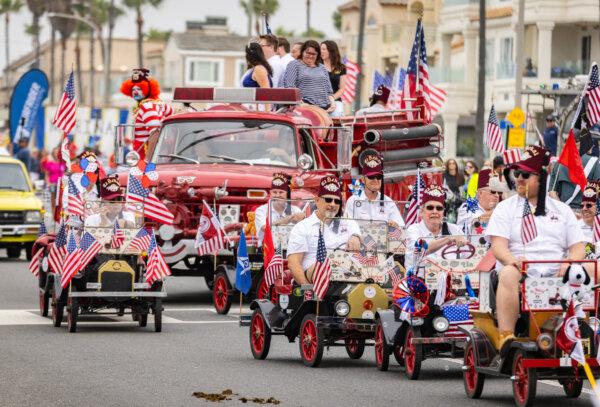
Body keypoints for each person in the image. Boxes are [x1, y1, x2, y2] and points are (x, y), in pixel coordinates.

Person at [486, 145, 585, 349]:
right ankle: (506, 335)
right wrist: (511, 260)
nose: (519, 178)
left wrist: (569, 262)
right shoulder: (505, 208)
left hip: (556, 270)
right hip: (519, 269)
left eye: (525, 174)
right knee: (508, 274)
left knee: (594, 270)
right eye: (516, 173)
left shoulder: (562, 210)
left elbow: (578, 247)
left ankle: (587, 328)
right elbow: (498, 246)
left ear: (541, 178)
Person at [287, 176, 361, 284]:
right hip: (315, 276)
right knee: (324, 266)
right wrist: (308, 289)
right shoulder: (302, 227)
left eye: (337, 201)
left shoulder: (348, 223)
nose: (332, 204)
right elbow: (293, 263)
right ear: (317, 201)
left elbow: (355, 227)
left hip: (347, 276)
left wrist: (355, 236)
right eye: (328, 200)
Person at [404, 185, 465, 268]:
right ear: (421, 212)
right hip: (420, 279)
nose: (435, 211)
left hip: (451, 278)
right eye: (430, 208)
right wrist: (448, 238)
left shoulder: (454, 229)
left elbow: (468, 256)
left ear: (443, 212)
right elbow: (420, 250)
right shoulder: (414, 230)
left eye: (439, 208)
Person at [120, 68, 174, 160]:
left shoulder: (147, 106)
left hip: (145, 154)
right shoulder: (156, 104)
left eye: (139, 89)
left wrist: (147, 160)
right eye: (133, 89)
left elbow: (155, 133)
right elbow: (173, 112)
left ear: (148, 90)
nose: (135, 92)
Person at [344, 153, 404, 227]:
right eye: (371, 177)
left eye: (379, 176)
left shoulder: (388, 202)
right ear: (363, 179)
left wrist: (395, 225)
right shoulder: (352, 201)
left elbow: (401, 227)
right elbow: (346, 227)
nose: (375, 180)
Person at [549, 128, 600, 208]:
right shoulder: (594, 162)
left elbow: (552, 192)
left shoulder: (558, 164)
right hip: (585, 212)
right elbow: (597, 191)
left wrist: (564, 210)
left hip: (564, 212)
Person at [281, 40, 335, 112]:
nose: (310, 56)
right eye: (308, 53)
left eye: (314, 54)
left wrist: (333, 104)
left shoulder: (322, 67)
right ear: (302, 52)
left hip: (325, 108)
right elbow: (290, 87)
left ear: (318, 55)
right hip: (304, 107)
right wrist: (301, 104)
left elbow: (329, 91)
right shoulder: (294, 65)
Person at [253, 173, 305, 245]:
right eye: (274, 192)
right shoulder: (262, 210)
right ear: (270, 193)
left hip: (290, 249)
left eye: (281, 192)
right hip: (266, 250)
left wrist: (303, 219)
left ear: (287, 194)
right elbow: (265, 228)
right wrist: (288, 219)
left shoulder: (296, 210)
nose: (277, 195)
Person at [456, 169, 501, 233]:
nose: (497, 195)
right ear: (480, 193)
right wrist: (485, 217)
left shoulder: (501, 208)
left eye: (499, 192)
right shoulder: (468, 207)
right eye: (493, 192)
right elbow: (463, 232)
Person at [321, 40, 347, 117]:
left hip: (335, 100)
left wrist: (332, 97)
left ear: (331, 51)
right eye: (320, 49)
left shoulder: (341, 67)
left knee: (336, 115)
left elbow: (342, 89)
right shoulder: (317, 66)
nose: (321, 51)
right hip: (318, 101)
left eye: (323, 49)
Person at [41, 147, 65, 214]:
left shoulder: (62, 163)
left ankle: (59, 216)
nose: (56, 154)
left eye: (57, 152)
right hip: (52, 184)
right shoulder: (50, 163)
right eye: (54, 153)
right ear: (53, 154)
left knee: (60, 201)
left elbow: (64, 173)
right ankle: (54, 215)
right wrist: (48, 183)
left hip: (60, 184)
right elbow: (46, 175)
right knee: (53, 202)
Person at [443, 158, 464, 223]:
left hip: (459, 201)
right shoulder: (444, 175)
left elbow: (462, 189)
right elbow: (444, 187)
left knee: (459, 220)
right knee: (451, 220)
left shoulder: (460, 176)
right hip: (449, 202)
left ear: (456, 165)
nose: (452, 165)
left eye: (453, 163)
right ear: (447, 165)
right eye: (450, 164)